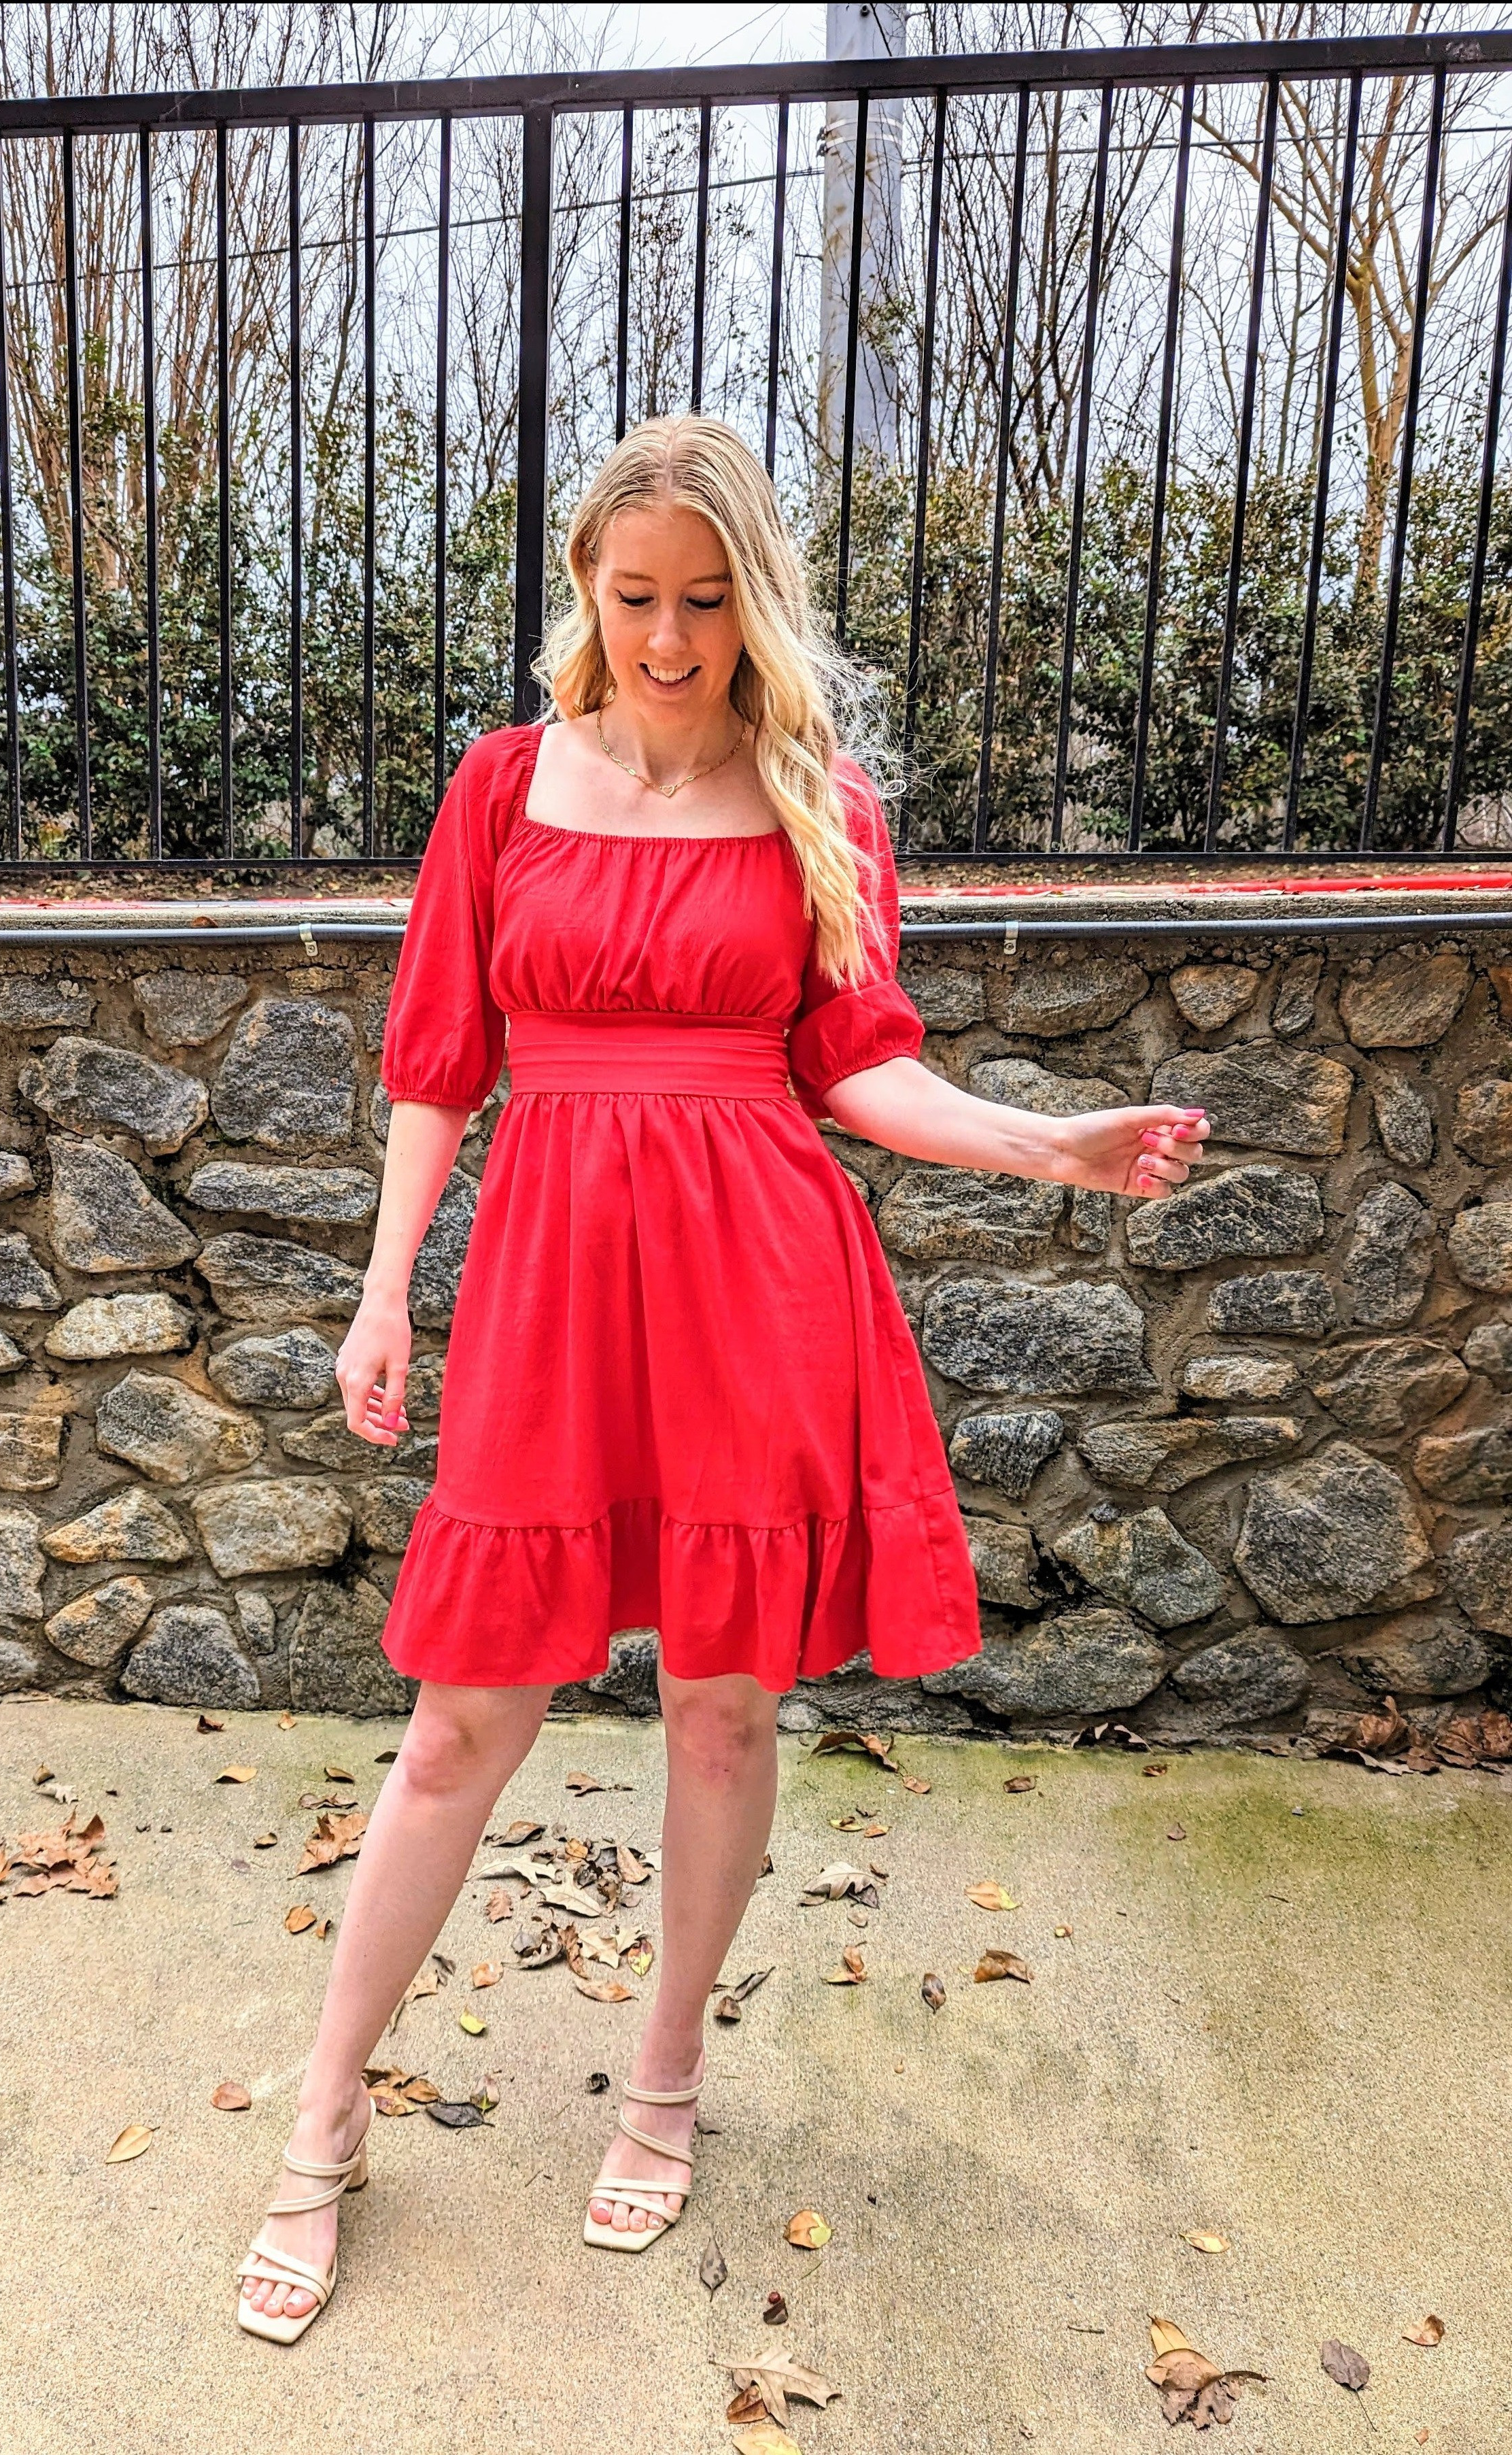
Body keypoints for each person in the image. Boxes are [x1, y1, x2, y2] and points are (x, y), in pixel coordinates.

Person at [234, 413, 1209, 2340]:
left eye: (702, 600)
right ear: (584, 594)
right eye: (634, 598)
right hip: (549, 1284)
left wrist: (1048, 1143)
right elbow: (438, 1057)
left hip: (753, 1275)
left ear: (751, 599)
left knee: (718, 1704)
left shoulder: (815, 800)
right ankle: (324, 2109)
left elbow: (859, 1067)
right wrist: (383, 1291)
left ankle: (664, 2080)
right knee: (459, 1721)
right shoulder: (503, 787)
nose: (669, 640)